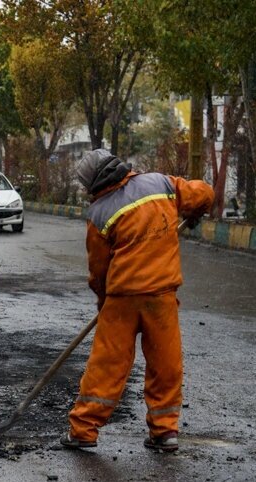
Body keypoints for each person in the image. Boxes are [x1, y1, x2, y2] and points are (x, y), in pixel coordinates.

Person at [60, 149, 213, 453]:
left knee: (106, 366)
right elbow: (205, 193)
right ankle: (164, 432)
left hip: (122, 300)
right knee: (165, 364)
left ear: (92, 184)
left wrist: (103, 303)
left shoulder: (99, 213)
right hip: (161, 297)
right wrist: (194, 211)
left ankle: (83, 431)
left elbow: (99, 272)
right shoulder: (161, 184)